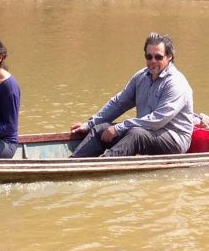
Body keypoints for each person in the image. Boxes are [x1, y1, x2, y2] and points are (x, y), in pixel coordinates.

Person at [69, 33, 197, 158]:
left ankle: (104, 164)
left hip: (174, 139)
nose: (153, 61)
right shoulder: (141, 77)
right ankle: (73, 163)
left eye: (158, 57)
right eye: (149, 56)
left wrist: (119, 128)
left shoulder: (176, 83)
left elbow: (157, 120)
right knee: (100, 129)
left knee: (136, 134)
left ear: (169, 56)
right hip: (143, 131)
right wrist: (88, 125)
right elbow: (118, 103)